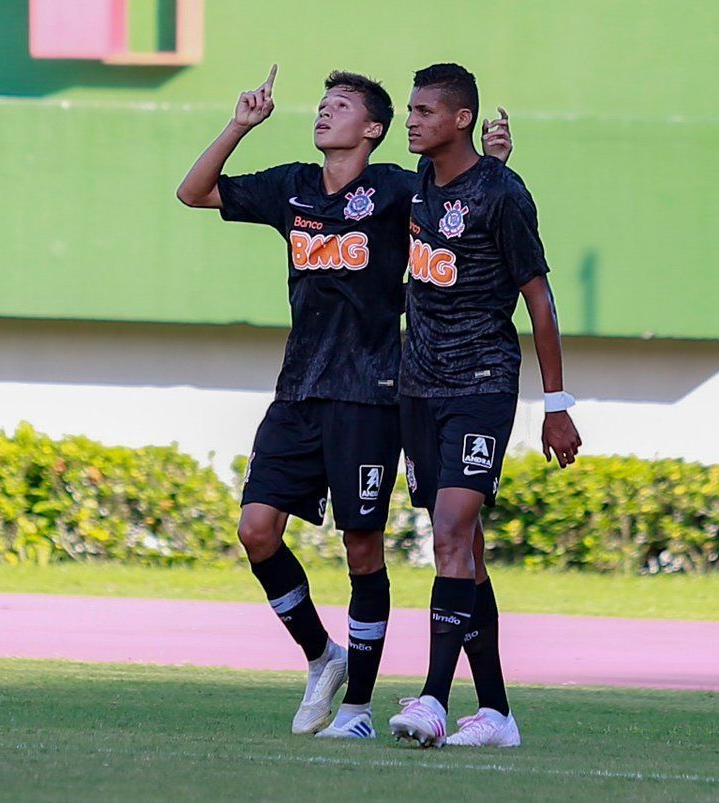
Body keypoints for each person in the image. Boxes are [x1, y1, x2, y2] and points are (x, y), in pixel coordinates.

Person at [176, 65, 513, 739]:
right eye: (322, 103)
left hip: (371, 392)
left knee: (362, 547)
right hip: (297, 389)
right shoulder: (293, 186)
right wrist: (241, 123)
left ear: (374, 128)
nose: (323, 112)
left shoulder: (394, 189)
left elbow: (461, 198)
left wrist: (496, 163)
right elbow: (194, 192)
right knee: (255, 529)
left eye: (340, 105)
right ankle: (320, 654)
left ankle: (357, 708)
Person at [387, 63, 581, 749]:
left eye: (425, 110)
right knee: (462, 548)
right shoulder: (416, 185)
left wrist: (557, 404)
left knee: (449, 529)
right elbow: (453, 197)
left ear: (460, 117)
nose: (411, 120)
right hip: (419, 386)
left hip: (481, 381)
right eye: (409, 109)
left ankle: (434, 699)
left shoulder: (504, 194)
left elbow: (540, 301)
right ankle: (496, 712)